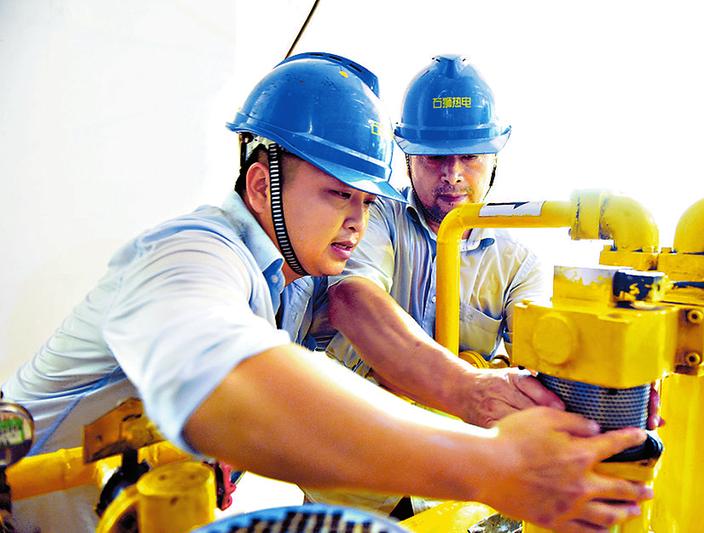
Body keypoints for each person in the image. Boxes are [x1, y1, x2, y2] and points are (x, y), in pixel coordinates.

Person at [2, 52, 649, 533]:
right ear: (261, 187)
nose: (357, 222)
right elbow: (228, 386)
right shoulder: (191, 254)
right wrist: (491, 464)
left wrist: (595, 403)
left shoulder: (294, 288)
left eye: (366, 201)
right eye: (338, 194)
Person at [303, 55, 659, 520]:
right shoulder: (373, 216)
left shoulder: (517, 263)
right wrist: (469, 386)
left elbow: (546, 352)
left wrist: (611, 384)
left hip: (453, 494)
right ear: (407, 157)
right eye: (435, 157)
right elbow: (353, 300)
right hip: (350, 484)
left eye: (469, 157)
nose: (453, 174)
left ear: (494, 158)